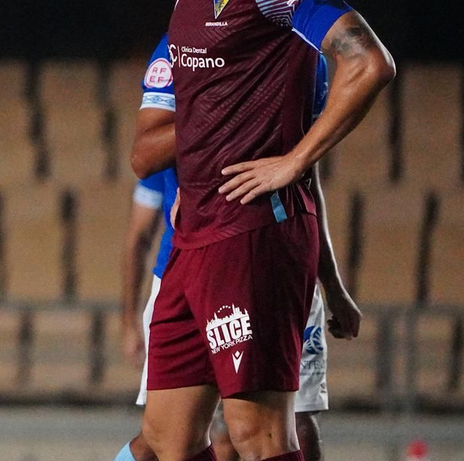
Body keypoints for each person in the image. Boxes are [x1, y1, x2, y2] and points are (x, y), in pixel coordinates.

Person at [132, 0, 394, 461]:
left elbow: (369, 64)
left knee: (261, 437)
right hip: (193, 238)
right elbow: (162, 143)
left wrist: (294, 161)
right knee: (167, 443)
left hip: (252, 237)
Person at [119, 36, 363, 461]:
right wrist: (223, 113)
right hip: (187, 264)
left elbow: (305, 173)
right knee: (167, 440)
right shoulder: (179, 46)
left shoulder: (303, 50)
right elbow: (144, 158)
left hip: (273, 258)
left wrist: (331, 283)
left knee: (285, 427)